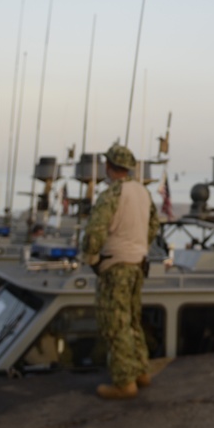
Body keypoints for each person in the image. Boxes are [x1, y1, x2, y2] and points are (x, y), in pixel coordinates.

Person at [81, 143, 160, 400]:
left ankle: (125, 382)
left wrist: (92, 258)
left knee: (115, 323)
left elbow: (95, 230)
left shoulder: (112, 194)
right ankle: (141, 371)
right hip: (138, 264)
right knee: (133, 319)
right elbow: (154, 225)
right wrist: (139, 247)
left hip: (116, 265)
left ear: (109, 166)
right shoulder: (142, 192)